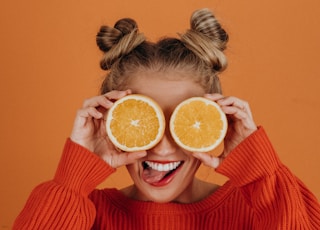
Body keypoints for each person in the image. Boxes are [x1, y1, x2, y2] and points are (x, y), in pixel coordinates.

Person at [14, 8, 320, 229]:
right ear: (111, 122)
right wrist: (73, 180)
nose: (162, 147)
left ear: (217, 122)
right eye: (144, 121)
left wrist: (261, 173)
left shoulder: (257, 212)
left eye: (183, 122)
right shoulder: (86, 213)